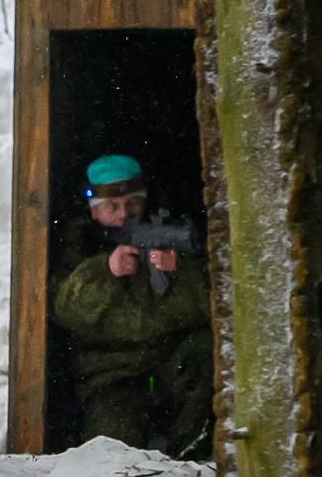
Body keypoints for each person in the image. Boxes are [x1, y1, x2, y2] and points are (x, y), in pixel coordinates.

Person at [48, 152, 213, 457]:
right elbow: (64, 309)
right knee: (113, 452)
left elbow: (212, 306)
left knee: (204, 351)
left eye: (132, 203)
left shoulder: (164, 233)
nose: (124, 214)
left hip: (168, 363)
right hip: (112, 375)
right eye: (112, 207)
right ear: (94, 211)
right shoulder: (78, 244)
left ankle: (186, 458)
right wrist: (105, 271)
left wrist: (179, 272)